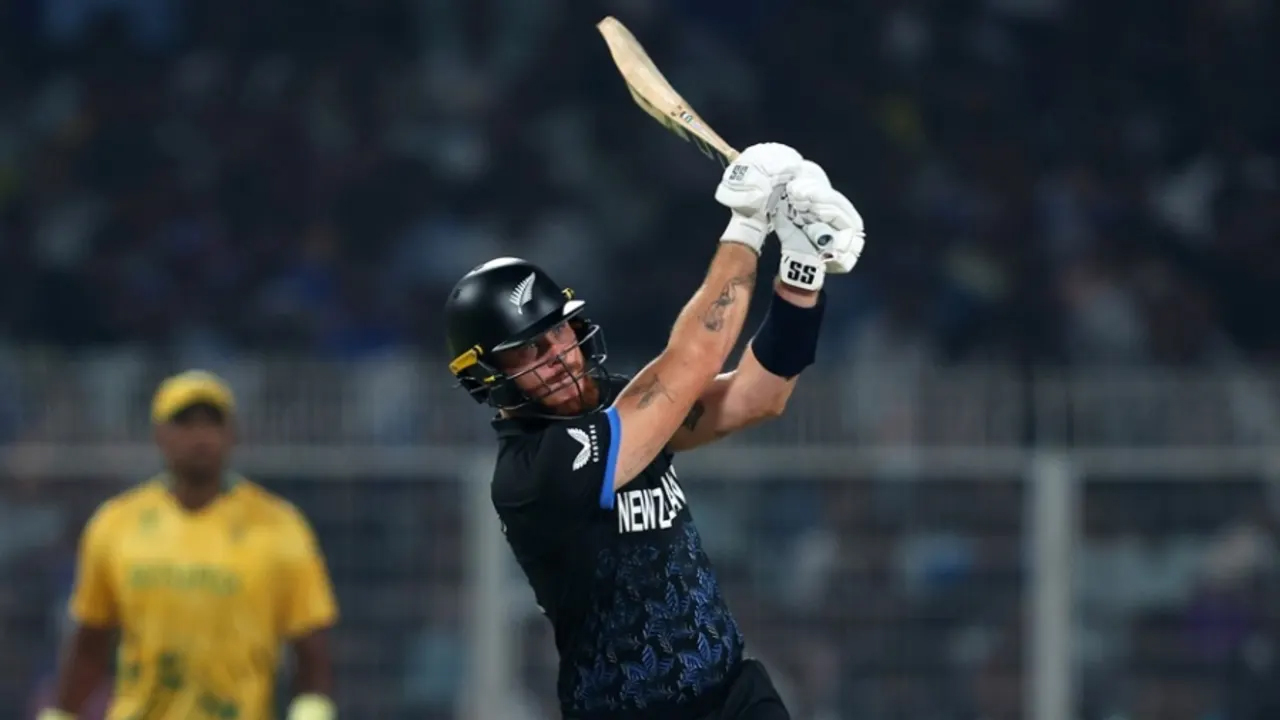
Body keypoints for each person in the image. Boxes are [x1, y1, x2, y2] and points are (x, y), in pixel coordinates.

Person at [444, 142, 866, 720]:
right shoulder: (533, 472)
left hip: (733, 696)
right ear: (488, 376)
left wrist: (800, 270)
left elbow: (757, 397)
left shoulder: (614, 404)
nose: (558, 356)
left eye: (558, 332)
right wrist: (747, 225)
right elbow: (693, 358)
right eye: (529, 350)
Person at [37, 370, 339, 720]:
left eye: (212, 423)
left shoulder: (278, 527)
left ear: (232, 434)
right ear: (159, 434)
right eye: (185, 423)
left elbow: (310, 646)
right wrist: (61, 714)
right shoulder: (117, 524)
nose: (200, 437)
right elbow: (91, 642)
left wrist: (313, 710)